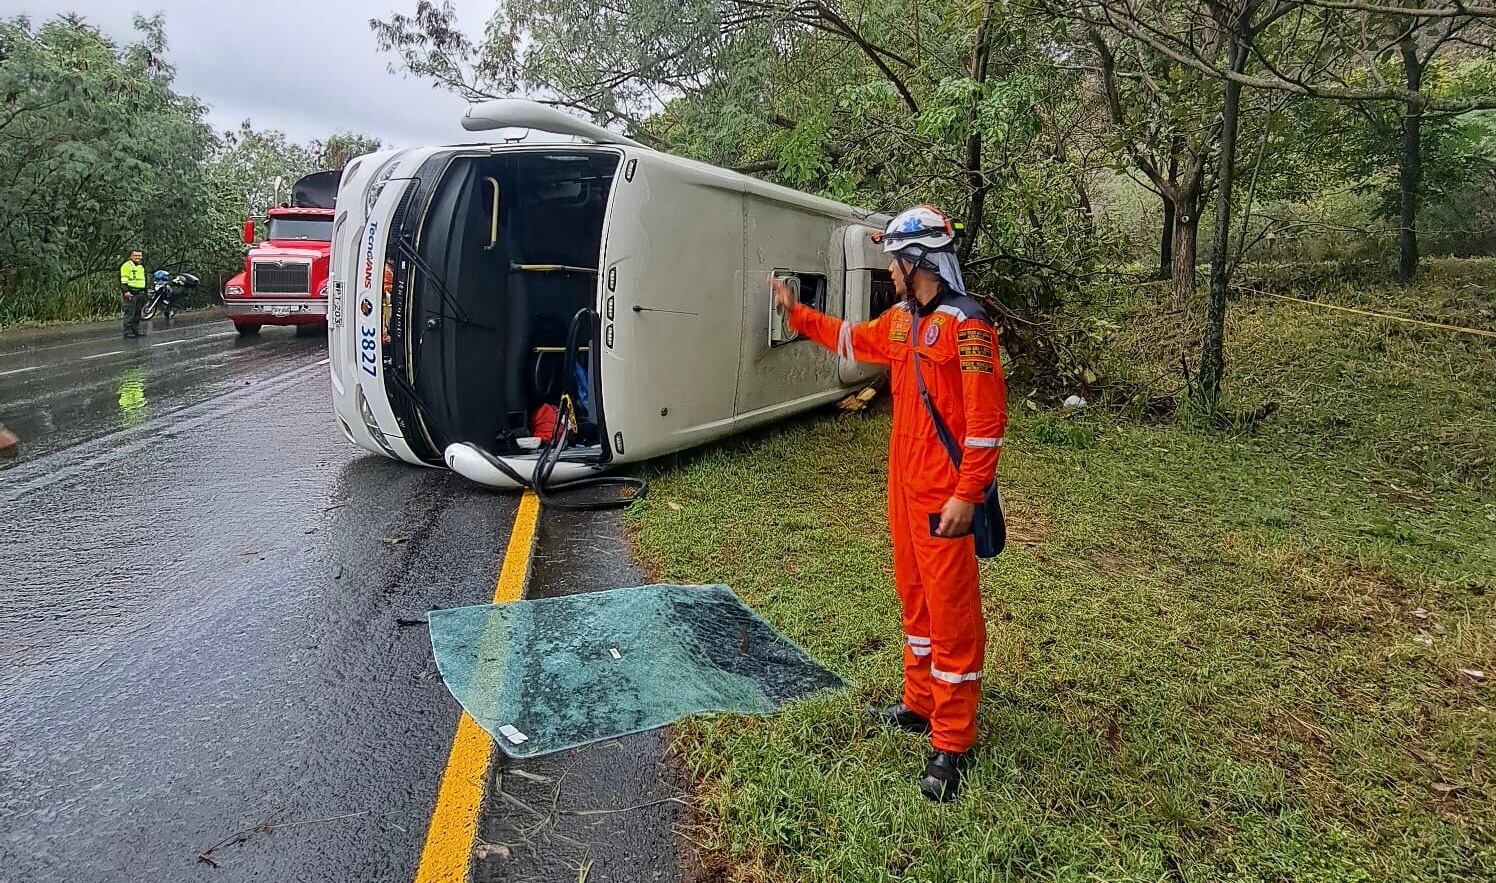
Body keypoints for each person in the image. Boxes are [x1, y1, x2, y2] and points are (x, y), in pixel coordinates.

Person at [769, 205, 1007, 802]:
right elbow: (852, 339)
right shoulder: (901, 322)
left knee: (952, 615)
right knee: (915, 598)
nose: (888, 273)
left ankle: (952, 741)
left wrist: (966, 493)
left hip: (945, 496)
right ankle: (920, 701)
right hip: (903, 489)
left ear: (916, 260)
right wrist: (797, 315)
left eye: (893, 262)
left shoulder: (968, 326)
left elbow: (985, 423)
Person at [120, 250, 147, 338]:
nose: (138, 257)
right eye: (135, 256)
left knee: (137, 313)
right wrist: (126, 291)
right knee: (129, 313)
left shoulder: (141, 266)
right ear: (131, 256)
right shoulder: (127, 266)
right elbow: (123, 281)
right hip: (130, 293)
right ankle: (127, 332)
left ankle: (135, 330)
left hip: (140, 293)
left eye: (139, 256)